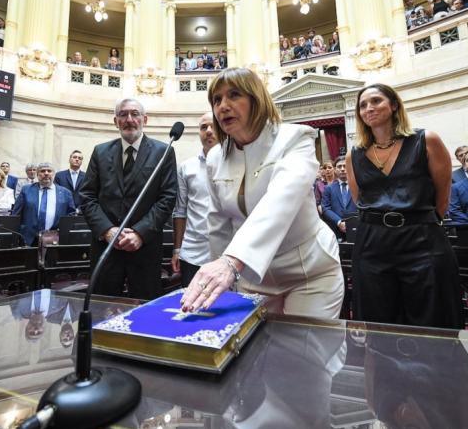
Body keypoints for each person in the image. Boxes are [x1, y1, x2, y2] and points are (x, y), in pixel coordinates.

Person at [180, 68, 344, 319]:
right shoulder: (215, 157)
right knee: (256, 352)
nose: (223, 106)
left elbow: (281, 200)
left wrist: (229, 263)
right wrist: (219, 276)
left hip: (310, 273)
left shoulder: (296, 137)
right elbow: (218, 223)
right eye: (217, 99)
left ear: (256, 100)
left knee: (306, 354)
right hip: (252, 278)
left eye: (234, 95)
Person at [345, 83, 462, 329]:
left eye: (376, 101)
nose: (369, 108)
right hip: (371, 244)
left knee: (434, 318)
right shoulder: (354, 154)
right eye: (363, 105)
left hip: (421, 239)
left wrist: (417, 222)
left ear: (394, 105)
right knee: (379, 323)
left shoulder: (426, 140)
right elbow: (359, 200)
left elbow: (442, 197)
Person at [80, 98, 177, 299]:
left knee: (144, 310)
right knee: (101, 306)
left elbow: (167, 198)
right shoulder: (100, 151)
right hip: (106, 247)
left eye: (135, 114)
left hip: (145, 247)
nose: (129, 119)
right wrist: (107, 231)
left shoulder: (164, 151)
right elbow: (87, 196)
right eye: (123, 115)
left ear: (145, 119)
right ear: (116, 121)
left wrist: (140, 233)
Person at [172, 112, 219, 287]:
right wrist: (177, 249)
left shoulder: (235, 162)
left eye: (213, 126)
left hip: (224, 252)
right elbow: (180, 210)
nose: (208, 131)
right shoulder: (186, 167)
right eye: (203, 127)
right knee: (190, 307)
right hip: (192, 252)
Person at [12, 162, 76, 246]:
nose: (46, 173)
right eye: (42, 171)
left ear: (54, 174)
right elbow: (16, 214)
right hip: (28, 239)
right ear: (37, 174)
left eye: (49, 171)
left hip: (55, 239)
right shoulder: (26, 190)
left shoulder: (65, 193)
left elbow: (71, 215)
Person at [322, 156, 358, 237]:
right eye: (339, 166)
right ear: (335, 169)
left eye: (345, 166)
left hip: (356, 228)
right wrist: (339, 222)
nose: (342, 169)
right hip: (335, 229)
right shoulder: (329, 188)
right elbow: (325, 208)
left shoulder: (357, 187)